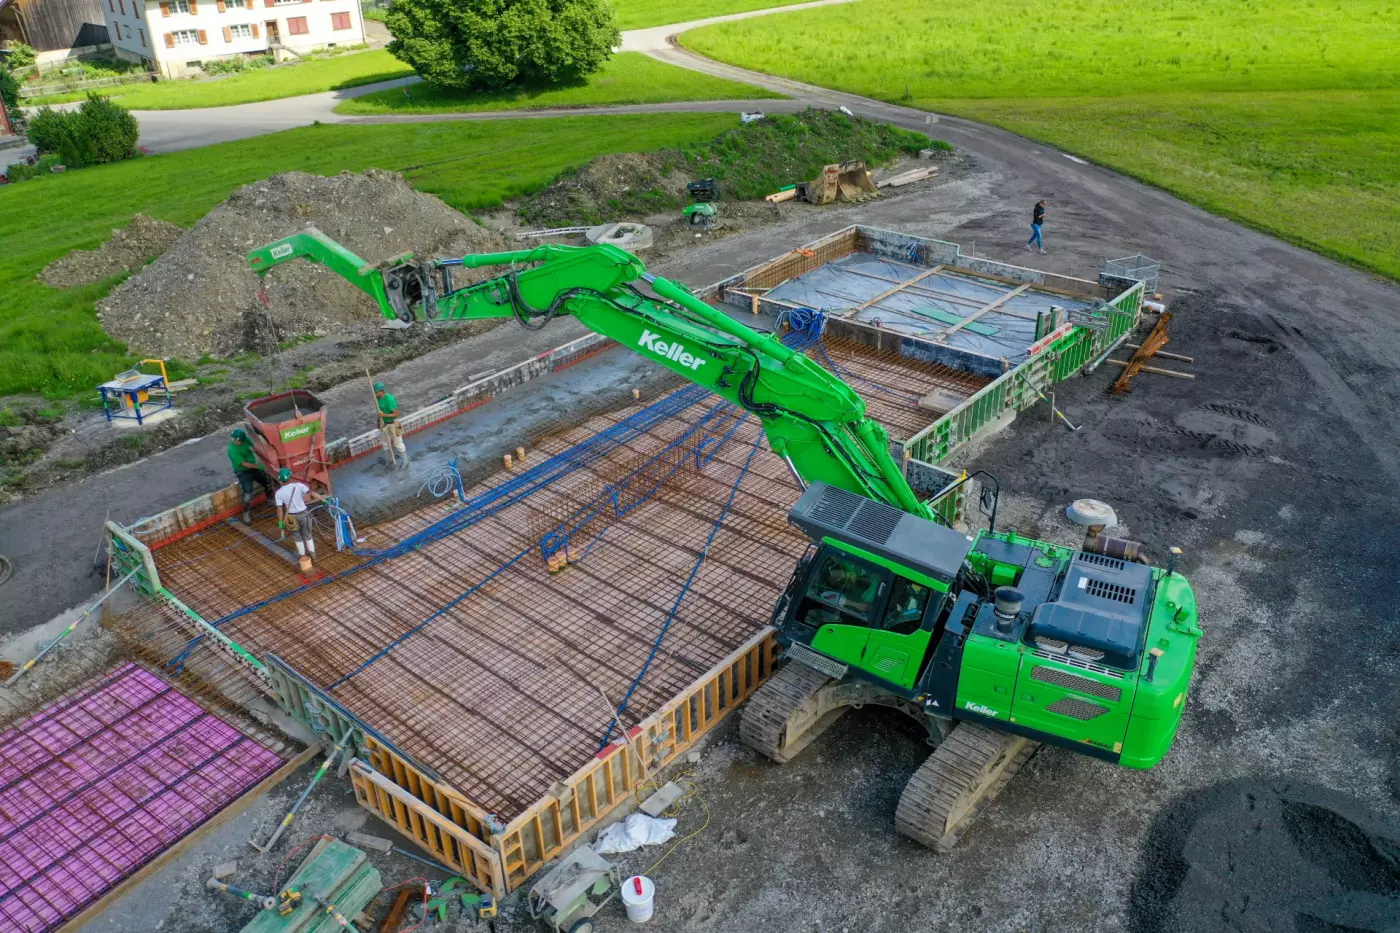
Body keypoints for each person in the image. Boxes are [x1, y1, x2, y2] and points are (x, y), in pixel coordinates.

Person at [274, 467, 322, 568]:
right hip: (304, 514)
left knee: (297, 536)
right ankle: (314, 556)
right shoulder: (299, 486)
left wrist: (281, 522)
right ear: (290, 477)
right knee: (307, 534)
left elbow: (279, 509)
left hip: (291, 517)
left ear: (280, 479)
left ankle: (303, 556)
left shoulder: (278, 493)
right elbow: (312, 493)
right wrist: (323, 499)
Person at [228, 427, 273, 524]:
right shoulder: (232, 449)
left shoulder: (246, 440)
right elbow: (243, 463)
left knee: (268, 482)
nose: (234, 441)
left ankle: (270, 500)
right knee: (248, 493)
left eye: (236, 439)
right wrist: (259, 466)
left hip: (254, 468)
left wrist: (263, 454)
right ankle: (246, 513)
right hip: (243, 471)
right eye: (234, 439)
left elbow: (254, 447)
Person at [374, 381, 408, 469]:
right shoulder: (377, 400)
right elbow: (379, 413)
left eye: (376, 392)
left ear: (380, 391)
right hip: (384, 424)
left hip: (393, 423)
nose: (375, 394)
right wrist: (378, 422)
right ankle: (390, 461)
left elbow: (396, 414)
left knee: (398, 443)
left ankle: (405, 462)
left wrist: (384, 415)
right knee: (385, 444)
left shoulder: (389, 399)